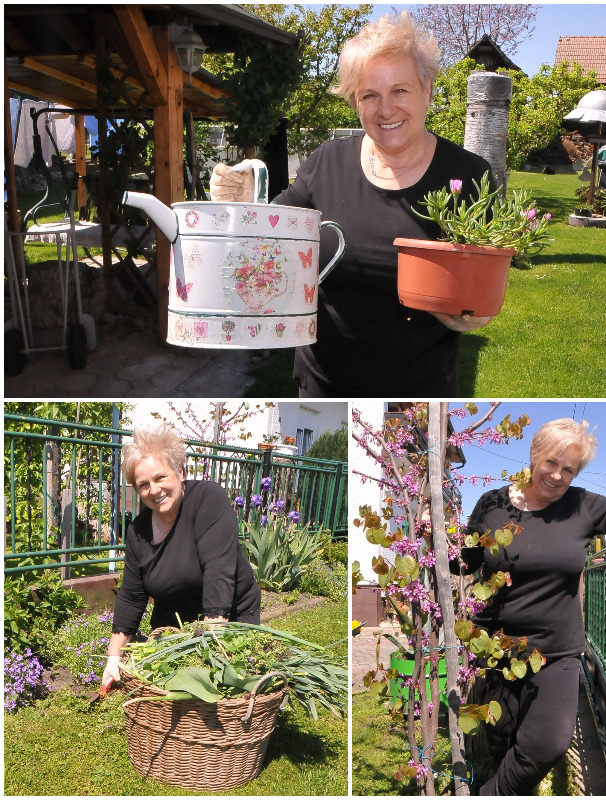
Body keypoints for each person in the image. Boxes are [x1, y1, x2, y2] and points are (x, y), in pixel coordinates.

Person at [210, 12, 493, 396]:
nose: (385, 109)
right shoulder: (326, 163)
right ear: (355, 101)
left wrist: (472, 312)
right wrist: (246, 201)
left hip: (417, 392)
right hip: (322, 384)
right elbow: (269, 235)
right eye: (369, 95)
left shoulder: (467, 175)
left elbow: (484, 281)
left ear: (428, 89)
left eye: (400, 91)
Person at [455, 419, 606, 795]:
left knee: (547, 743)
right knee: (502, 738)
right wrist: (429, 543)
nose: (557, 475)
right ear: (535, 456)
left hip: (557, 650)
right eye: (552, 462)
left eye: (569, 469)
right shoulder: (493, 503)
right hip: (496, 646)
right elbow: (468, 559)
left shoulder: (581, 505)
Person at [100, 422, 261, 692]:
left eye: (160, 477)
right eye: (143, 484)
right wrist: (114, 659)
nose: (154, 489)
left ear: (180, 471)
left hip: (228, 617)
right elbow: (131, 595)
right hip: (173, 622)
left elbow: (218, 571)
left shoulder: (208, 499)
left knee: (224, 689)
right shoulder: (138, 531)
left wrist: (208, 649)